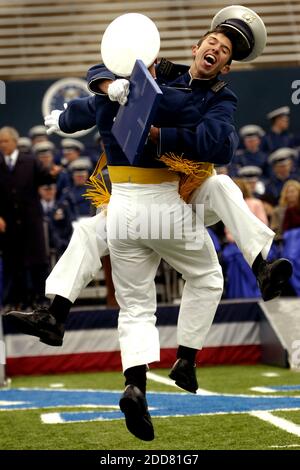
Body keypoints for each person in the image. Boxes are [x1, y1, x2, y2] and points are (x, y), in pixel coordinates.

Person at [5, 7, 292, 441]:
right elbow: (107, 71)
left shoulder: (158, 86)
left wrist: (80, 110)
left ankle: (116, 366)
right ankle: (187, 355)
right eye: (212, 40)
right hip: (163, 205)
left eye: (224, 49)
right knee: (207, 272)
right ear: (194, 47)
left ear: (227, 65)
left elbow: (100, 89)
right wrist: (111, 84)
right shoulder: (173, 87)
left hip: (130, 206)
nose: (215, 48)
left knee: (132, 291)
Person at [0, 126, 57, 309]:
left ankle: (41, 299)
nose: (2, 145)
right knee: (13, 263)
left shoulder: (30, 161)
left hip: (31, 221)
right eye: (0, 142)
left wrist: (52, 174)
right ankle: (16, 301)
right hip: (8, 223)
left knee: (38, 263)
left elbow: (45, 178)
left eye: (5, 141)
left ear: (15, 142)